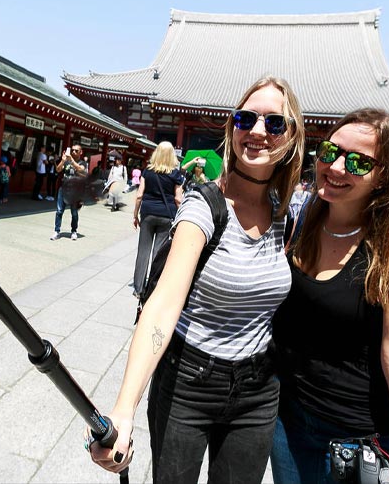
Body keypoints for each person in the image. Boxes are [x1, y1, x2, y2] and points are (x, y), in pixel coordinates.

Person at [87, 76, 305, 483]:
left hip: (257, 392)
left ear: (291, 136)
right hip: (189, 382)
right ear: (231, 127)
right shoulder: (204, 208)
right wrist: (124, 407)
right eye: (246, 119)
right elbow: (163, 305)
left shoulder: (283, 215)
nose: (257, 131)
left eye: (274, 123)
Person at [271, 108, 389, 484]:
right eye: (331, 151)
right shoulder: (309, 216)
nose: (337, 166)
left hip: (356, 437)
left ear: (384, 176)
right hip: (288, 419)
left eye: (359, 162)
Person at [130, 142, 185, 297]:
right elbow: (178, 199)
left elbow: (139, 195)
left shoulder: (148, 172)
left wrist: (135, 215)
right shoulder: (176, 174)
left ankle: (138, 289)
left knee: (143, 251)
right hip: (167, 215)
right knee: (158, 253)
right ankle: (153, 287)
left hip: (148, 214)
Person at [50, 144, 87, 241]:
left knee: (74, 213)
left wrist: (71, 161)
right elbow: (58, 169)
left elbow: (80, 169)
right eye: (73, 150)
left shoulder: (83, 163)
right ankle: (56, 231)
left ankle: (74, 231)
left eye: (76, 151)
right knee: (59, 211)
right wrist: (63, 161)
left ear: (81, 152)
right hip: (63, 189)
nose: (74, 152)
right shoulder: (66, 161)